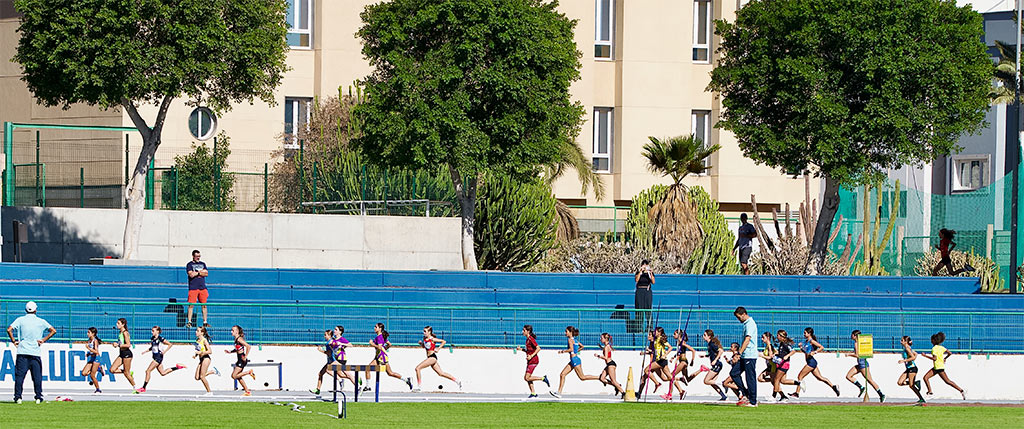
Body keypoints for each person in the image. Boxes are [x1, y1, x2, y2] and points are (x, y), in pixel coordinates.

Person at [7, 301, 56, 404]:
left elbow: (9, 329)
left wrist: (13, 341)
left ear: (26, 309)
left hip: (22, 351)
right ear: (35, 310)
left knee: (20, 377)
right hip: (35, 352)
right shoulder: (40, 321)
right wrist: (43, 339)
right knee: (37, 377)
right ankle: (38, 397)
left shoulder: (20, 320)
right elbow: (53, 330)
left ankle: (18, 397)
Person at [550, 325, 601, 398]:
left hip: (575, 360)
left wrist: (563, 351)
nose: (565, 333)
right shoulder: (575, 340)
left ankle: (599, 377)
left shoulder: (570, 340)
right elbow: (582, 346)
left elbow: (571, 349)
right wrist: (575, 351)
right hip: (574, 360)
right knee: (562, 374)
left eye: (566, 331)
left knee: (582, 377)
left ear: (570, 332)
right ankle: (559, 393)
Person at [791, 327, 840, 397]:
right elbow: (806, 352)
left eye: (805, 333)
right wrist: (801, 348)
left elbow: (821, 347)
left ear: (809, 333)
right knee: (820, 378)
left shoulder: (812, 341)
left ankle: (797, 393)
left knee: (800, 376)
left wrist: (815, 352)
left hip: (811, 362)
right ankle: (834, 387)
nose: (804, 334)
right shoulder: (806, 342)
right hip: (810, 362)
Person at [364, 323, 413, 391]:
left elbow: (380, 347)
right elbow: (389, 344)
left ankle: (406, 379)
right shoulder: (381, 337)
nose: (374, 328)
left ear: (380, 329)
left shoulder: (379, 337)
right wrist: (385, 349)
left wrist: (372, 344)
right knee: (388, 372)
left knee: (389, 373)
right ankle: (367, 386)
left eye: (376, 327)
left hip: (382, 358)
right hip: (378, 357)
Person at [413, 326, 461, 391]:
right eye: (423, 331)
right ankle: (457, 381)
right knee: (441, 373)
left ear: (429, 332)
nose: (423, 333)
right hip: (429, 357)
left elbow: (444, 341)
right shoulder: (424, 338)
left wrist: (438, 348)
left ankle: (419, 387)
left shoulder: (432, 339)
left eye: (425, 331)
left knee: (417, 368)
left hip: (432, 357)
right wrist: (421, 344)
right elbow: (425, 347)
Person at [138, 326, 185, 392]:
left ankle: (143, 387)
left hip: (158, 357)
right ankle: (177, 367)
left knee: (148, 371)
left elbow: (170, 344)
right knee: (163, 373)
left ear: (157, 331)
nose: (152, 332)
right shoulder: (152, 338)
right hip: (155, 357)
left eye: (153, 331)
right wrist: (146, 351)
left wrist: (164, 351)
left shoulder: (160, 338)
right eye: (152, 330)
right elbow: (152, 347)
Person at [921, 332, 966, 400]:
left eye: (931, 340)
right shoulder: (941, 347)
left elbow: (934, 358)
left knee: (947, 381)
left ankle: (961, 390)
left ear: (933, 341)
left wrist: (925, 356)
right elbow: (950, 353)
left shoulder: (934, 349)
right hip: (938, 367)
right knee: (926, 378)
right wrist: (945, 358)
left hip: (938, 368)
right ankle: (930, 392)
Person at [662, 329, 703, 401]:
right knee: (687, 379)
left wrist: (692, 360)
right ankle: (701, 369)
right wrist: (674, 357)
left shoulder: (682, 343)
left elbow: (693, 350)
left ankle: (670, 394)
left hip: (683, 362)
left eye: (674, 334)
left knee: (671, 376)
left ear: (679, 335)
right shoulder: (678, 342)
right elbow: (679, 352)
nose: (673, 335)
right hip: (683, 362)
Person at [844, 329, 885, 402]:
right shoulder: (860, 343)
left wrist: (849, 354)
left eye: (852, 335)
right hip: (860, 364)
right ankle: (861, 387)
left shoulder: (857, 344)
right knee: (848, 376)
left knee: (870, 380)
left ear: (854, 336)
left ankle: (881, 394)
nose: (851, 336)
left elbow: (857, 355)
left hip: (863, 364)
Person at [733, 306, 758, 407]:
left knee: (750, 378)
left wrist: (738, 353)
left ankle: (753, 401)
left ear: (743, 314)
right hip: (744, 355)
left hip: (749, 355)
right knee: (734, 373)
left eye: (739, 317)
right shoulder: (745, 324)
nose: (738, 320)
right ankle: (746, 393)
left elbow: (747, 340)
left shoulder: (750, 324)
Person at [515, 325, 549, 398]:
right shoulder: (527, 340)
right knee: (528, 377)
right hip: (530, 360)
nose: (522, 332)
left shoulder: (531, 339)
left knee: (527, 378)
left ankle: (543, 378)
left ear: (528, 331)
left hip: (534, 360)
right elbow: (528, 351)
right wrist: (521, 349)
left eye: (524, 330)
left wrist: (531, 356)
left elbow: (538, 348)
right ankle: (533, 393)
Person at [110, 318, 139, 393]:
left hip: (127, 354)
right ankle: (128, 372)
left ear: (123, 324)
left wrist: (118, 345)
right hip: (121, 354)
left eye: (118, 323)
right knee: (112, 370)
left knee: (126, 373)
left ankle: (135, 388)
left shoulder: (125, 333)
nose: (117, 324)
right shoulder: (120, 332)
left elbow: (128, 344)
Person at [226, 325, 255, 396]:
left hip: (242, 360)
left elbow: (248, 346)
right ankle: (247, 391)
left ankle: (249, 372)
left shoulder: (239, 339)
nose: (231, 332)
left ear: (237, 331)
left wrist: (245, 356)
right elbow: (238, 349)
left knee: (234, 376)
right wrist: (230, 352)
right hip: (239, 359)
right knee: (238, 377)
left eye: (233, 330)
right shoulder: (236, 339)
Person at [699, 330, 728, 401]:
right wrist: (705, 356)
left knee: (706, 381)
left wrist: (715, 360)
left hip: (717, 365)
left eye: (704, 335)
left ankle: (723, 383)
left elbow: (720, 351)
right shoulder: (709, 344)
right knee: (712, 382)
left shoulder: (712, 344)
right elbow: (712, 353)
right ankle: (723, 396)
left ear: (709, 336)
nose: (703, 336)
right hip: (716, 365)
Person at [771, 330, 800, 401]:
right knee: (783, 381)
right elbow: (782, 353)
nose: (777, 337)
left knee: (776, 379)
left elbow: (793, 351)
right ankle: (799, 383)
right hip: (781, 364)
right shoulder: (781, 344)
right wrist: (776, 355)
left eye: (778, 335)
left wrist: (787, 356)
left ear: (781, 336)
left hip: (784, 364)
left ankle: (773, 396)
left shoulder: (785, 344)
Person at [897, 336, 925, 404]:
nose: (901, 342)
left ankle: (921, 399)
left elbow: (913, 357)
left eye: (902, 340)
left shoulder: (907, 348)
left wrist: (904, 360)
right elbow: (915, 354)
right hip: (908, 368)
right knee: (900, 382)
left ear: (905, 342)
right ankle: (915, 383)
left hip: (912, 368)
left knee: (911, 386)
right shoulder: (907, 348)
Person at [186, 249, 210, 328]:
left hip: (202, 287)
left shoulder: (203, 264)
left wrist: (197, 272)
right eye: (196, 256)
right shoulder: (189, 264)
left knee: (204, 305)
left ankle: (205, 322)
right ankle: (189, 321)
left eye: (199, 256)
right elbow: (191, 274)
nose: (198, 258)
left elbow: (206, 273)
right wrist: (200, 272)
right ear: (193, 256)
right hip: (193, 288)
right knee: (191, 305)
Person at [595, 332, 624, 397]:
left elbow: (606, 357)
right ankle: (617, 386)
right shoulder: (607, 346)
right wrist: (601, 347)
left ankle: (623, 392)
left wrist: (598, 356)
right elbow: (606, 352)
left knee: (613, 380)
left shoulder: (606, 347)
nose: (600, 339)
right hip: (608, 365)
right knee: (602, 378)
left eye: (602, 338)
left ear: (605, 339)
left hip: (611, 364)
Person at [193, 326, 220, 395]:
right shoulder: (197, 341)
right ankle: (212, 371)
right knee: (197, 377)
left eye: (198, 331)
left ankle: (209, 392)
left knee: (202, 377)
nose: (196, 332)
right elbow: (199, 350)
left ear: (202, 333)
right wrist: (195, 355)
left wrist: (201, 353)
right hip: (201, 359)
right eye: (196, 330)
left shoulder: (204, 340)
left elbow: (210, 351)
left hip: (206, 358)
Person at [634, 260, 655, 331]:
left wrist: (650, 273)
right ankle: (639, 327)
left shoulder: (649, 273)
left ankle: (649, 327)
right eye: (643, 265)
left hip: (647, 291)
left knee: (648, 309)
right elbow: (636, 280)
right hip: (639, 291)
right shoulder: (638, 272)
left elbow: (653, 282)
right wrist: (640, 272)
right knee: (639, 309)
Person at [82, 327, 105, 394]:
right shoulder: (89, 340)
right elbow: (92, 351)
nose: (87, 334)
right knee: (84, 373)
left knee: (92, 375)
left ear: (93, 333)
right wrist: (89, 353)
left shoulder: (95, 341)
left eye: (89, 332)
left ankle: (98, 389)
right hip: (92, 358)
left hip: (96, 359)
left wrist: (88, 348)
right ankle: (99, 369)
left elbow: (96, 351)